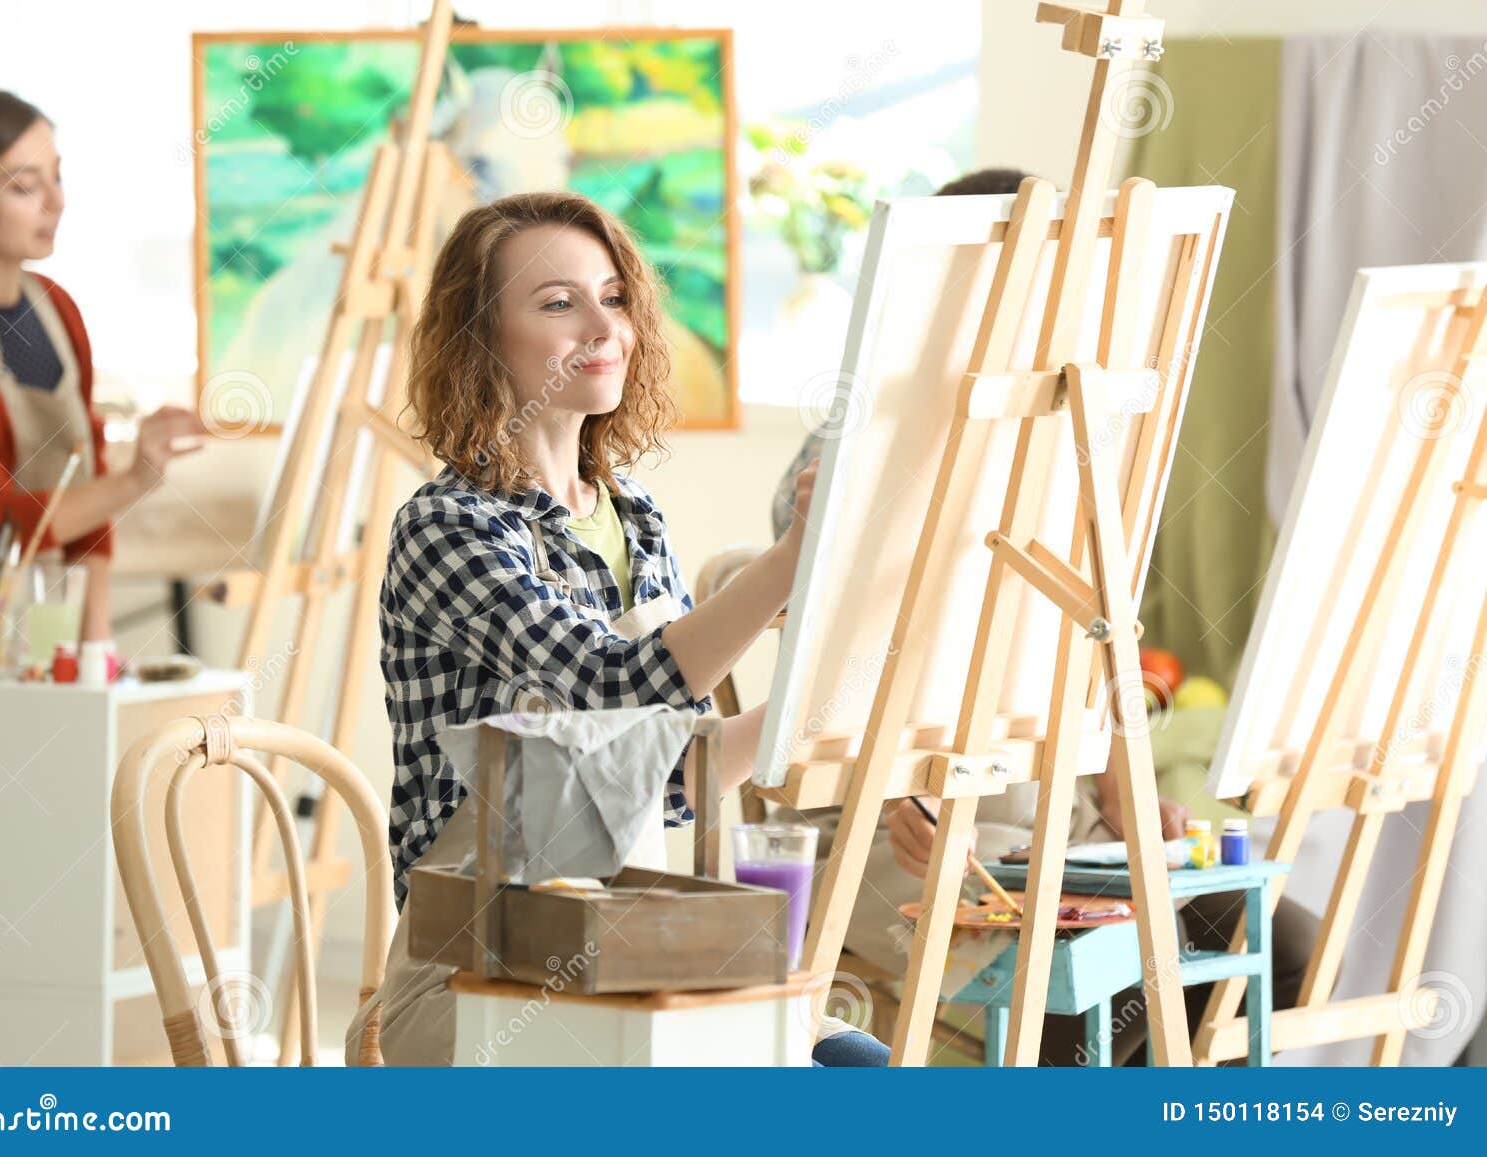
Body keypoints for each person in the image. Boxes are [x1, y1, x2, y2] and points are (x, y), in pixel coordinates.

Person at [769, 167, 1316, 1063]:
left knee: (1283, 947)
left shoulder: (1080, 421)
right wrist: (907, 793)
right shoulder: (859, 430)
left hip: (1063, 819)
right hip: (898, 828)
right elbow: (823, 640)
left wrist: (1120, 776)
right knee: (1100, 993)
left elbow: (1103, 622)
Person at [347, 190, 887, 1066]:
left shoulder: (635, 517)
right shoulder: (448, 527)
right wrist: (793, 555)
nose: (606, 328)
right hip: (475, 981)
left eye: (615, 297)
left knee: (853, 1063)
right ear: (481, 338)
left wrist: (838, 698)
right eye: (559, 303)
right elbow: (613, 684)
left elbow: (669, 775)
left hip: (624, 950)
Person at [0, 87, 204, 672]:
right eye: (24, 186)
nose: (56, 202)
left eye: (56, 177)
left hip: (41, 631)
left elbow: (85, 479)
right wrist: (135, 479)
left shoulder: (58, 309)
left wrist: (96, 646)